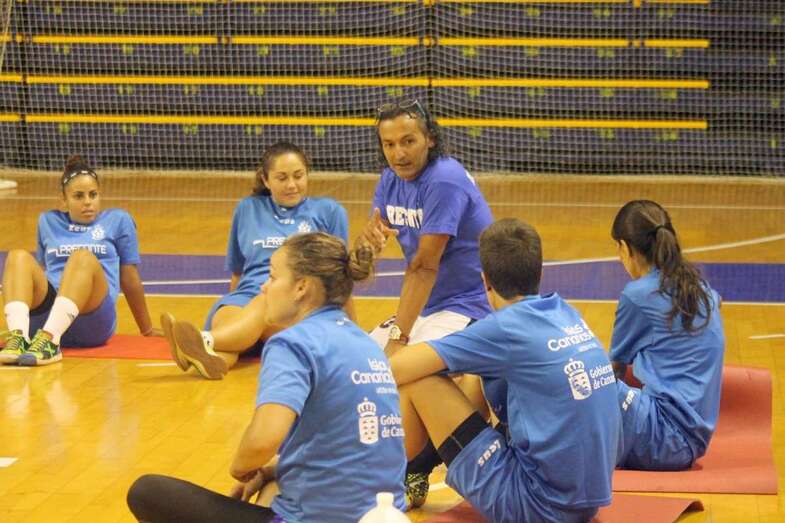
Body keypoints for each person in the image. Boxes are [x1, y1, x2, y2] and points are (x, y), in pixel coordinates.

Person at [127, 232, 406, 523]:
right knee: (274, 483)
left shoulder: (293, 343)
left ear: (301, 287)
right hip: (385, 514)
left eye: (272, 278)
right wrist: (269, 471)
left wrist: (242, 467)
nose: (263, 287)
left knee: (146, 491)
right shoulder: (366, 343)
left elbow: (264, 439)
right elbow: (349, 446)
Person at [389, 218, 620, 523]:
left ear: (485, 280)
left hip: (538, 508)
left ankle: (395, 478)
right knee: (479, 370)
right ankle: (417, 468)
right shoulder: (565, 312)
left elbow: (395, 370)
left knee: (420, 382)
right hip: (584, 504)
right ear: (539, 272)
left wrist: (393, 340)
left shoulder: (505, 328)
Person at [358, 99, 495, 507]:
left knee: (393, 372)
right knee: (358, 368)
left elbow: (423, 266)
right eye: (388, 144)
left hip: (467, 306)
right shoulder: (390, 180)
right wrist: (365, 251)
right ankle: (367, 465)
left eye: (408, 141)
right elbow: (369, 255)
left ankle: (412, 470)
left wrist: (399, 335)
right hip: (429, 307)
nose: (398, 153)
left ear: (429, 140)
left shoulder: (445, 180)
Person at [161, 141, 349, 379]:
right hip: (247, 296)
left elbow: (340, 277)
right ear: (266, 179)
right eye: (282, 178)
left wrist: (346, 328)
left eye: (298, 176)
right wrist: (234, 305)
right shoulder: (247, 208)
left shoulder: (330, 212)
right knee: (229, 321)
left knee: (265, 298)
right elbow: (238, 272)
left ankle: (203, 339)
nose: (292, 185)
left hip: (296, 305)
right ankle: (213, 360)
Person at [0, 155, 160, 366]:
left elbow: (129, 277)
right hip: (47, 314)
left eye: (93, 195)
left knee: (82, 257)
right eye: (78, 196)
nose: (87, 202)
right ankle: (19, 337)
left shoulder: (118, 220)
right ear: (64, 200)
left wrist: (146, 329)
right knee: (18, 256)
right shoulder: (48, 220)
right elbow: (38, 274)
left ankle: (50, 341)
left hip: (93, 320)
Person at [609, 200, 725, 471]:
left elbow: (613, 370)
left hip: (662, 439)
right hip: (692, 442)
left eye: (617, 248)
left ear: (626, 249)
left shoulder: (637, 296)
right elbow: (719, 303)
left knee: (573, 376)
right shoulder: (700, 287)